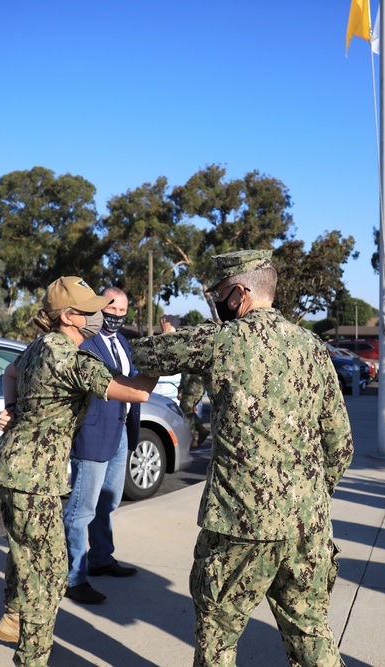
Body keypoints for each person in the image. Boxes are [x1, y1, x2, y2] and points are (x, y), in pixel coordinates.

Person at [131, 250, 355, 667]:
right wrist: (309, 499)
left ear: (239, 294)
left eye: (219, 293)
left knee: (218, 641)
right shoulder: (314, 347)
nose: (217, 302)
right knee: (312, 635)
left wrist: (165, 333)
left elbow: (145, 355)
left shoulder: (223, 340)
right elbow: (341, 445)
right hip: (307, 527)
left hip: (239, 526)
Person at [0, 276, 157, 667]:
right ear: (69, 317)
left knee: (24, 555)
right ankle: (31, 657)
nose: (99, 316)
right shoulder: (71, 358)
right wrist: (163, 360)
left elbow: (9, 374)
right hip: (35, 477)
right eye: (91, 311)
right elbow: (138, 393)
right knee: (48, 574)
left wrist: (14, 408)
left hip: (13, 468)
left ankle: (13, 616)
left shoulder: (37, 348)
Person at [63, 286, 141, 605]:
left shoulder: (122, 342)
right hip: (93, 436)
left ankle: (100, 558)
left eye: (122, 311)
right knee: (81, 510)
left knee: (107, 503)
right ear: (99, 308)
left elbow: (131, 382)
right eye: (111, 309)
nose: (116, 316)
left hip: (119, 432)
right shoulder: (86, 341)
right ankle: (73, 577)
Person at [178, 371, 209, 449]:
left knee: (187, 413)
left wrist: (181, 390)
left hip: (190, 390)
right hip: (199, 389)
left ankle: (192, 439)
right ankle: (201, 430)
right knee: (189, 412)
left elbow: (186, 376)